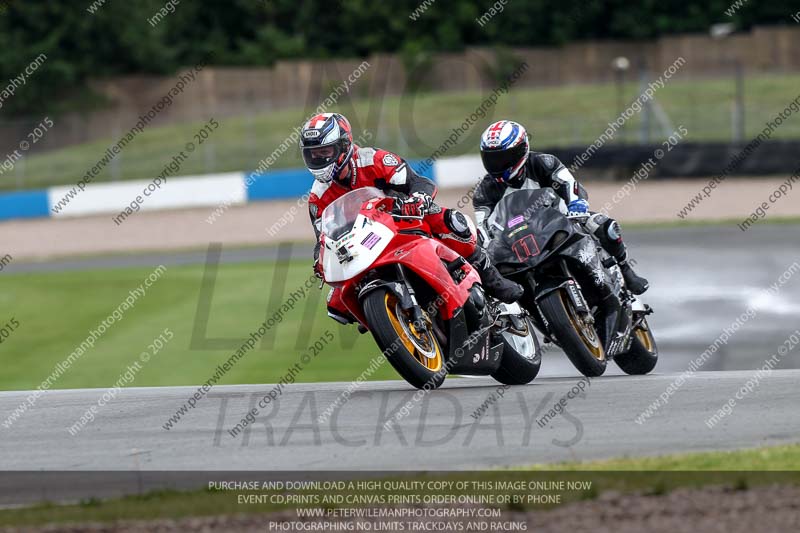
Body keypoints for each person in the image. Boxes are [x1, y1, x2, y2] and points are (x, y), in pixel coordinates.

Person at [300, 113, 524, 325]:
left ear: (344, 146)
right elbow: (323, 238)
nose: (318, 158)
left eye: (324, 151)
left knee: (451, 222)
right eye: (312, 154)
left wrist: (417, 199)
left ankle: (494, 281)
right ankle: (388, 317)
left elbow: (420, 182)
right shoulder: (317, 197)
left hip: (403, 220)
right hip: (364, 245)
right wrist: (320, 262)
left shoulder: (374, 159)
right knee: (337, 303)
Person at [474, 120, 649, 295]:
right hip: (518, 237)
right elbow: (482, 226)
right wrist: (488, 244)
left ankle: (626, 269)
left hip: (560, 220)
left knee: (604, 226)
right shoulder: (484, 190)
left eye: (503, 158)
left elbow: (569, 183)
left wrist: (576, 203)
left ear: (521, 149)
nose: (497, 165)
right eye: (491, 159)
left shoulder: (543, 163)